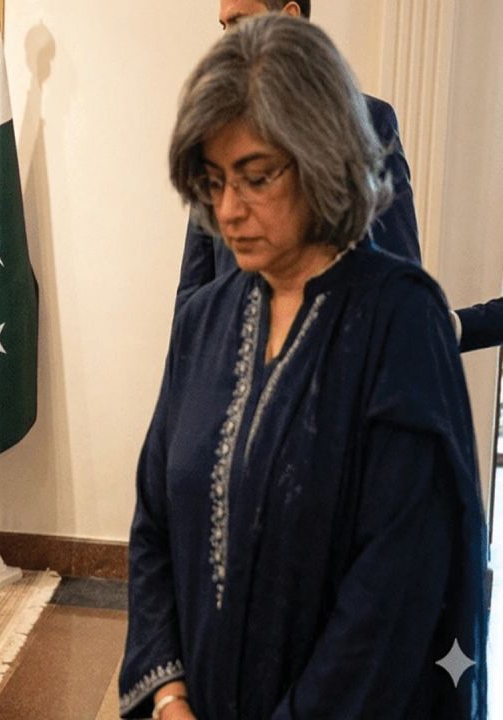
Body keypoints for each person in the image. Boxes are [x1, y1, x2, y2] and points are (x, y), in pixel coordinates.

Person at [119, 15, 486, 720]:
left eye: (256, 178)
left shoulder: (400, 321)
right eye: (215, 181)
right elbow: (153, 524)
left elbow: (395, 587)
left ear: (321, 157)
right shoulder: (204, 320)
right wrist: (168, 698)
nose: (228, 210)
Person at [174, 1, 418, 314]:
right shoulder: (215, 126)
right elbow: (192, 293)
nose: (225, 43)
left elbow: (402, 284)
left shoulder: (368, 123)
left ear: (290, 17)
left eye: (239, 23)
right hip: (230, 343)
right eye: (224, 27)